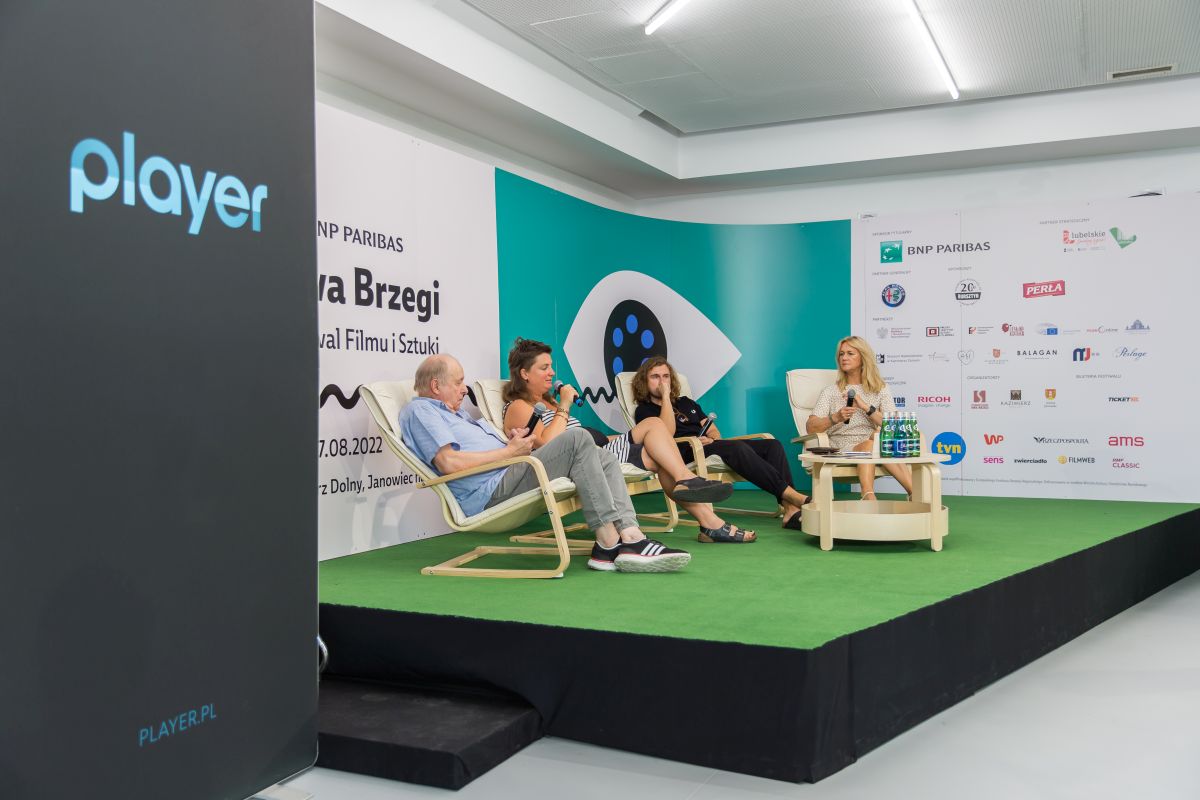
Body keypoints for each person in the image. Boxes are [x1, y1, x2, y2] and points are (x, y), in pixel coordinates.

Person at [399, 354, 691, 573]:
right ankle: (608, 539)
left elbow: (488, 452)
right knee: (577, 438)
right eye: (458, 382)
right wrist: (508, 453)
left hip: (511, 472)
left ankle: (627, 535)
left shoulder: (458, 415)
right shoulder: (421, 411)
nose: (464, 389)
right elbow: (448, 463)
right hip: (489, 492)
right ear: (435, 385)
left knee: (602, 456)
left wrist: (514, 443)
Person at [501, 338, 755, 544]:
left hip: (598, 447)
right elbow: (548, 443)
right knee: (658, 447)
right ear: (524, 373)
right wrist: (565, 404)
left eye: (551, 366)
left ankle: (699, 502)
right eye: (544, 368)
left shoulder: (549, 403)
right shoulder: (518, 406)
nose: (552, 372)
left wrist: (616, 436)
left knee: (655, 430)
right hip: (580, 459)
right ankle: (707, 515)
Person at [632, 357, 811, 531]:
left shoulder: (686, 402)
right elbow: (667, 432)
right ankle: (793, 496)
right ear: (644, 382)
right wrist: (665, 397)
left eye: (666, 376)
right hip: (683, 451)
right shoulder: (644, 410)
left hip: (708, 446)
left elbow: (713, 431)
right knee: (736, 448)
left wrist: (711, 439)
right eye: (655, 377)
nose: (662, 382)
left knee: (772, 445)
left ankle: (790, 509)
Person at [805, 335, 913, 500]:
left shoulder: (880, 389)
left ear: (863, 357)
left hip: (875, 444)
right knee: (873, 443)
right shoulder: (831, 391)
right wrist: (836, 417)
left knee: (881, 438)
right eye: (841, 354)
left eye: (850, 353)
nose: (844, 358)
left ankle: (913, 493)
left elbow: (894, 426)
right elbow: (811, 427)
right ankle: (868, 495)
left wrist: (866, 407)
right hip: (842, 446)